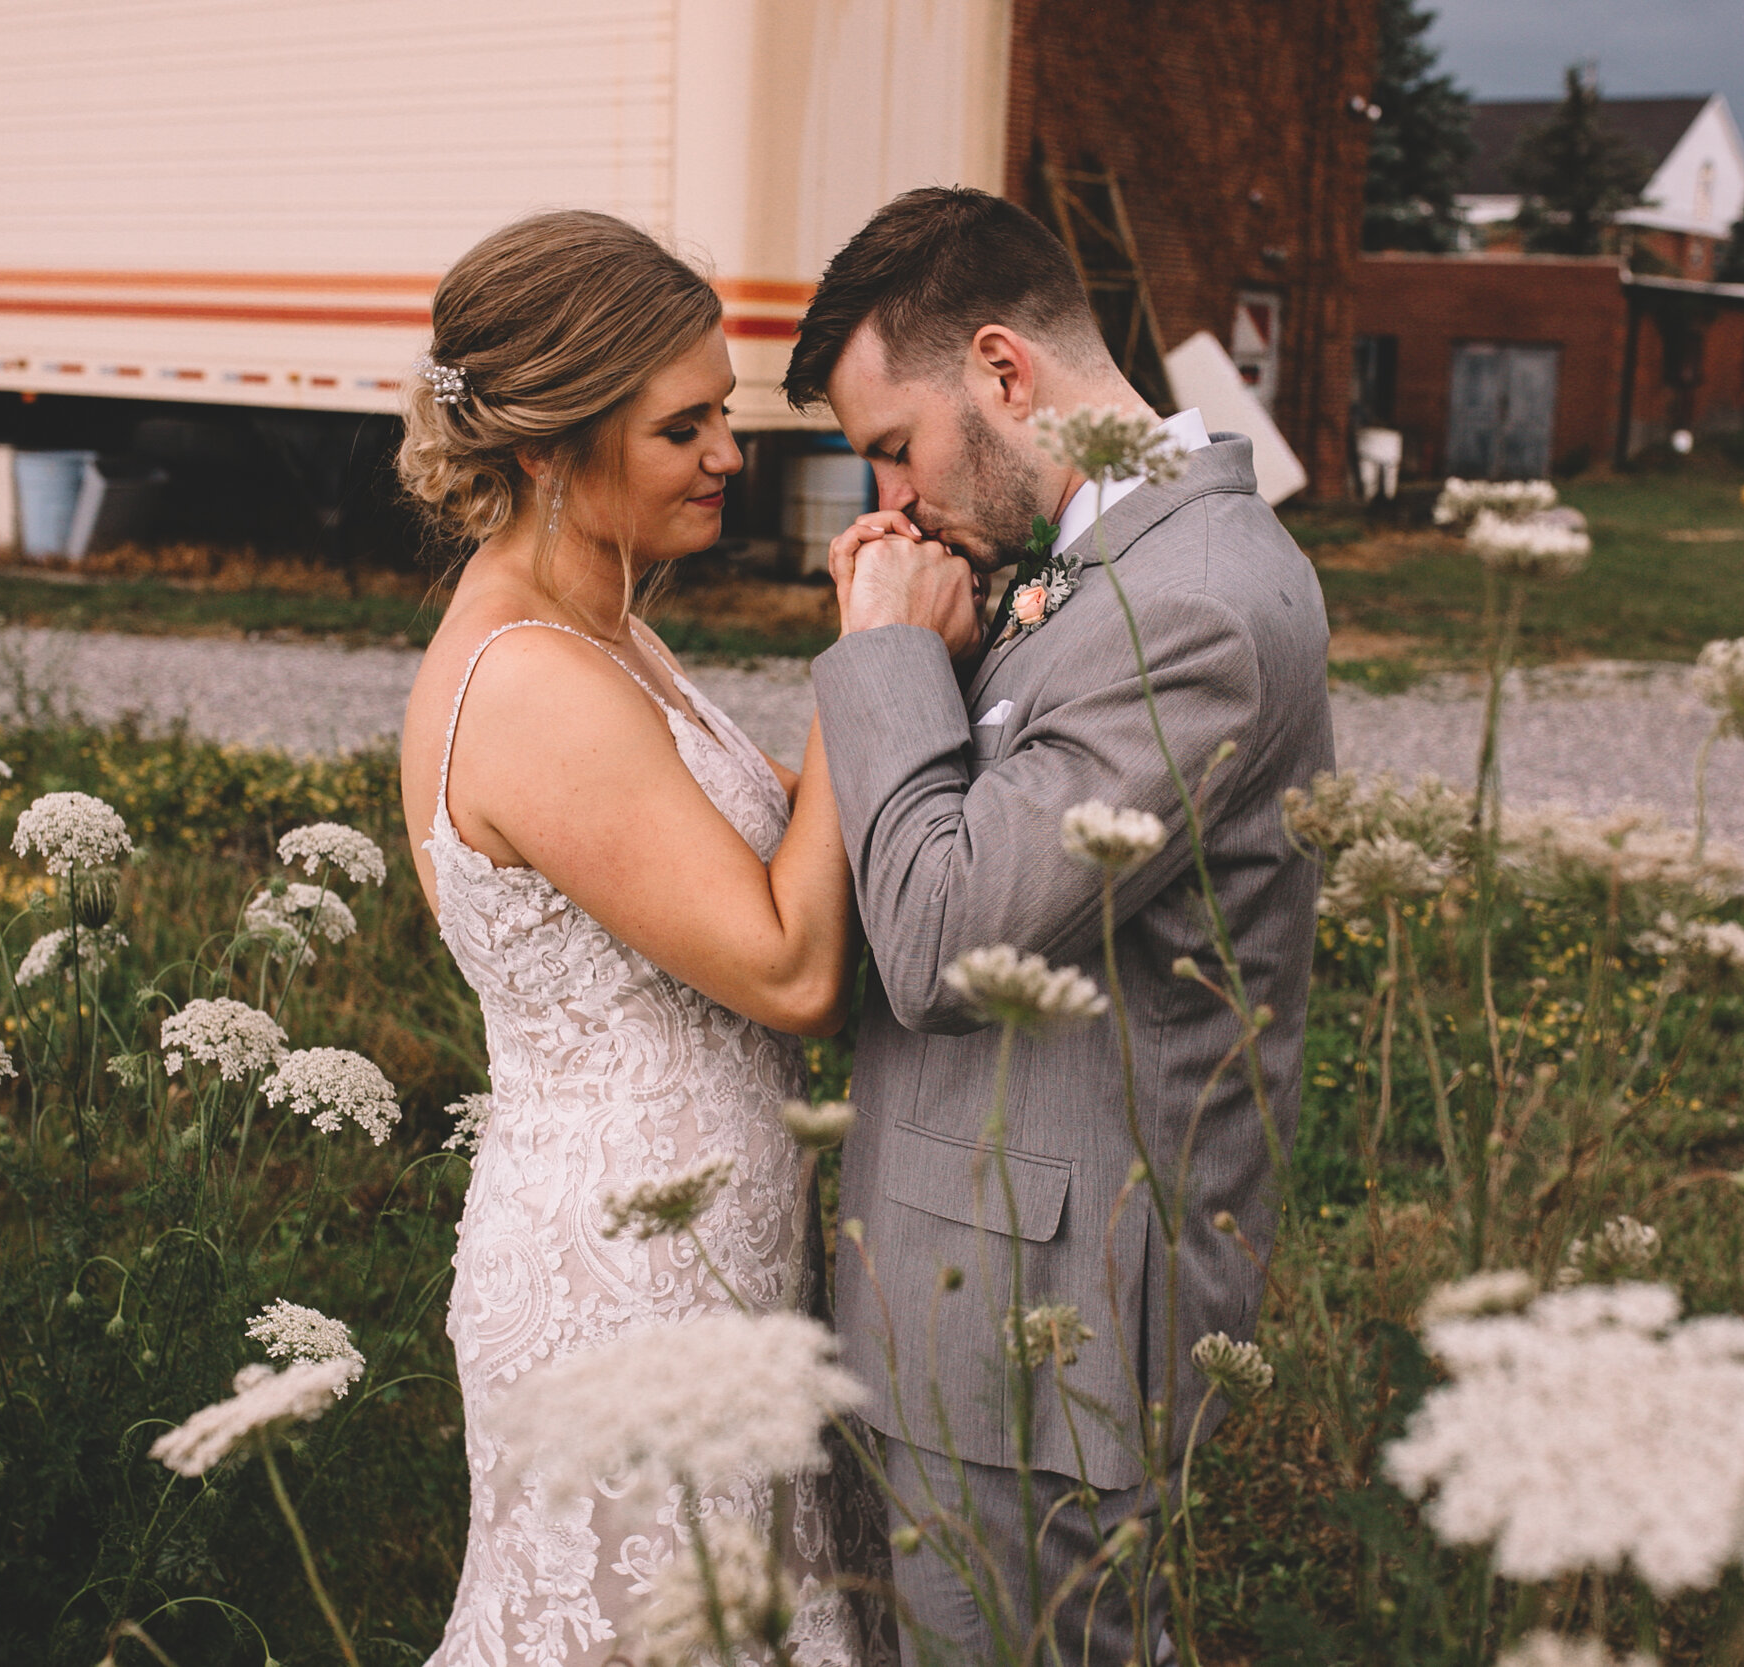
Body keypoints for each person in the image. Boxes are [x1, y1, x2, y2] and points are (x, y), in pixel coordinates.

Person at [784, 187, 1336, 1665]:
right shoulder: (1092, 571)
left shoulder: (1199, 607)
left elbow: (947, 940)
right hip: (954, 1297)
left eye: (893, 449)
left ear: (1004, 372)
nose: (890, 508)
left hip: (1046, 1342)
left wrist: (892, 651)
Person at [395, 210, 863, 1667]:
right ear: (548, 446)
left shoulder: (606, 633)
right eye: (686, 426)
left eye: (725, 413)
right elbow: (788, 966)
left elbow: (765, 857)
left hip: (700, 1254)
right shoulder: (533, 678)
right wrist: (874, 664)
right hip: (624, 1280)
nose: (731, 453)